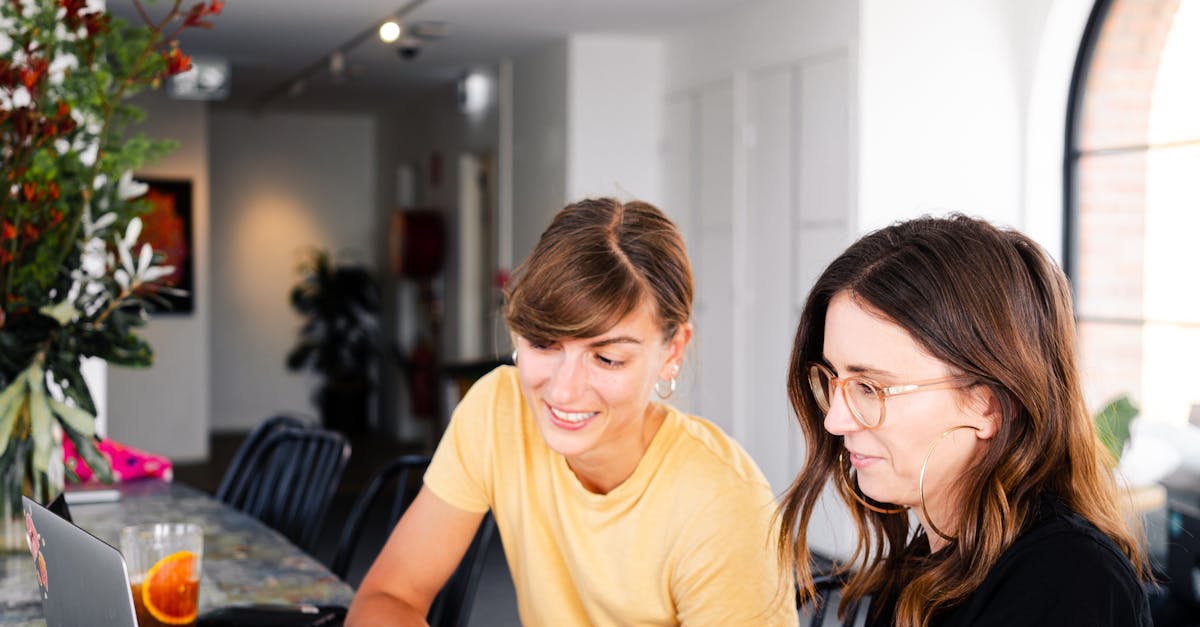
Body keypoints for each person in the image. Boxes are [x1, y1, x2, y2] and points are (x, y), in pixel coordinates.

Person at [347, 198, 796, 626]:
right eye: (543, 343)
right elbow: (388, 596)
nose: (563, 390)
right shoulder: (498, 410)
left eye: (608, 359)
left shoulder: (722, 502)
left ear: (672, 351)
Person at [777, 214, 1151, 627]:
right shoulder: (928, 566)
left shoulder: (1071, 584)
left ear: (986, 406)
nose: (834, 420)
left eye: (869, 387)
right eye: (832, 379)